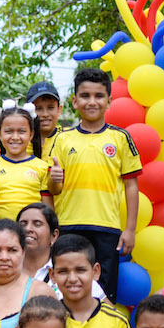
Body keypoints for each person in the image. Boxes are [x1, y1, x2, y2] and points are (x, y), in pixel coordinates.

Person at [47, 67, 141, 297]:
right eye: (85, 96)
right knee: (67, 291)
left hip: (107, 229)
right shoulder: (62, 139)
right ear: (75, 101)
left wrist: (129, 229)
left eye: (99, 96)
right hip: (69, 227)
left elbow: (131, 186)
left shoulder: (120, 138)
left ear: (109, 101)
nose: (92, 102)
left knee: (103, 293)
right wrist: (54, 180)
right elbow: (51, 190)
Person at [16, 202, 105, 301]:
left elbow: (107, 312)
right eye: (23, 224)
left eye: (37, 224)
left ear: (54, 236)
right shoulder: (6, 268)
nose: (28, 229)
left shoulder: (72, 270)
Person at [0, 107, 51, 221]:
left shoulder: (42, 167)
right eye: (9, 131)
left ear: (31, 134)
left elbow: (48, 210)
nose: (15, 137)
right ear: (0, 134)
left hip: (30, 233)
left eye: (21, 131)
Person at [25, 82, 62, 161]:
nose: (45, 114)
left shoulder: (66, 138)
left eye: (50, 107)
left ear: (59, 109)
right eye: (38, 108)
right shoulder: (21, 141)